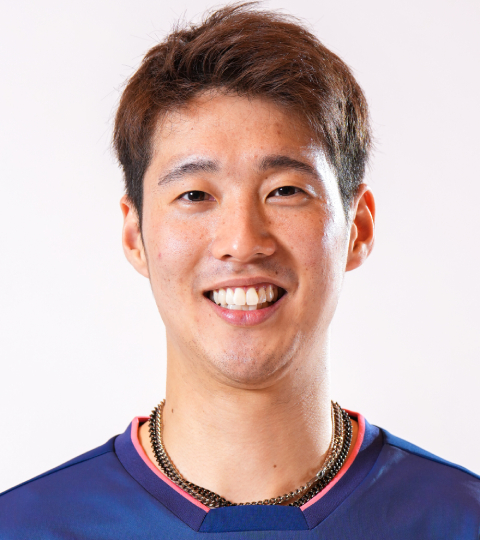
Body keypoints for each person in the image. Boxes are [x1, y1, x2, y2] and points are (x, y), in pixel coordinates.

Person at [0, 4, 478, 538]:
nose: (242, 243)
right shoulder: (26, 526)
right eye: (195, 195)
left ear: (358, 227)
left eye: (285, 191)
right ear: (135, 235)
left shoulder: (460, 520)